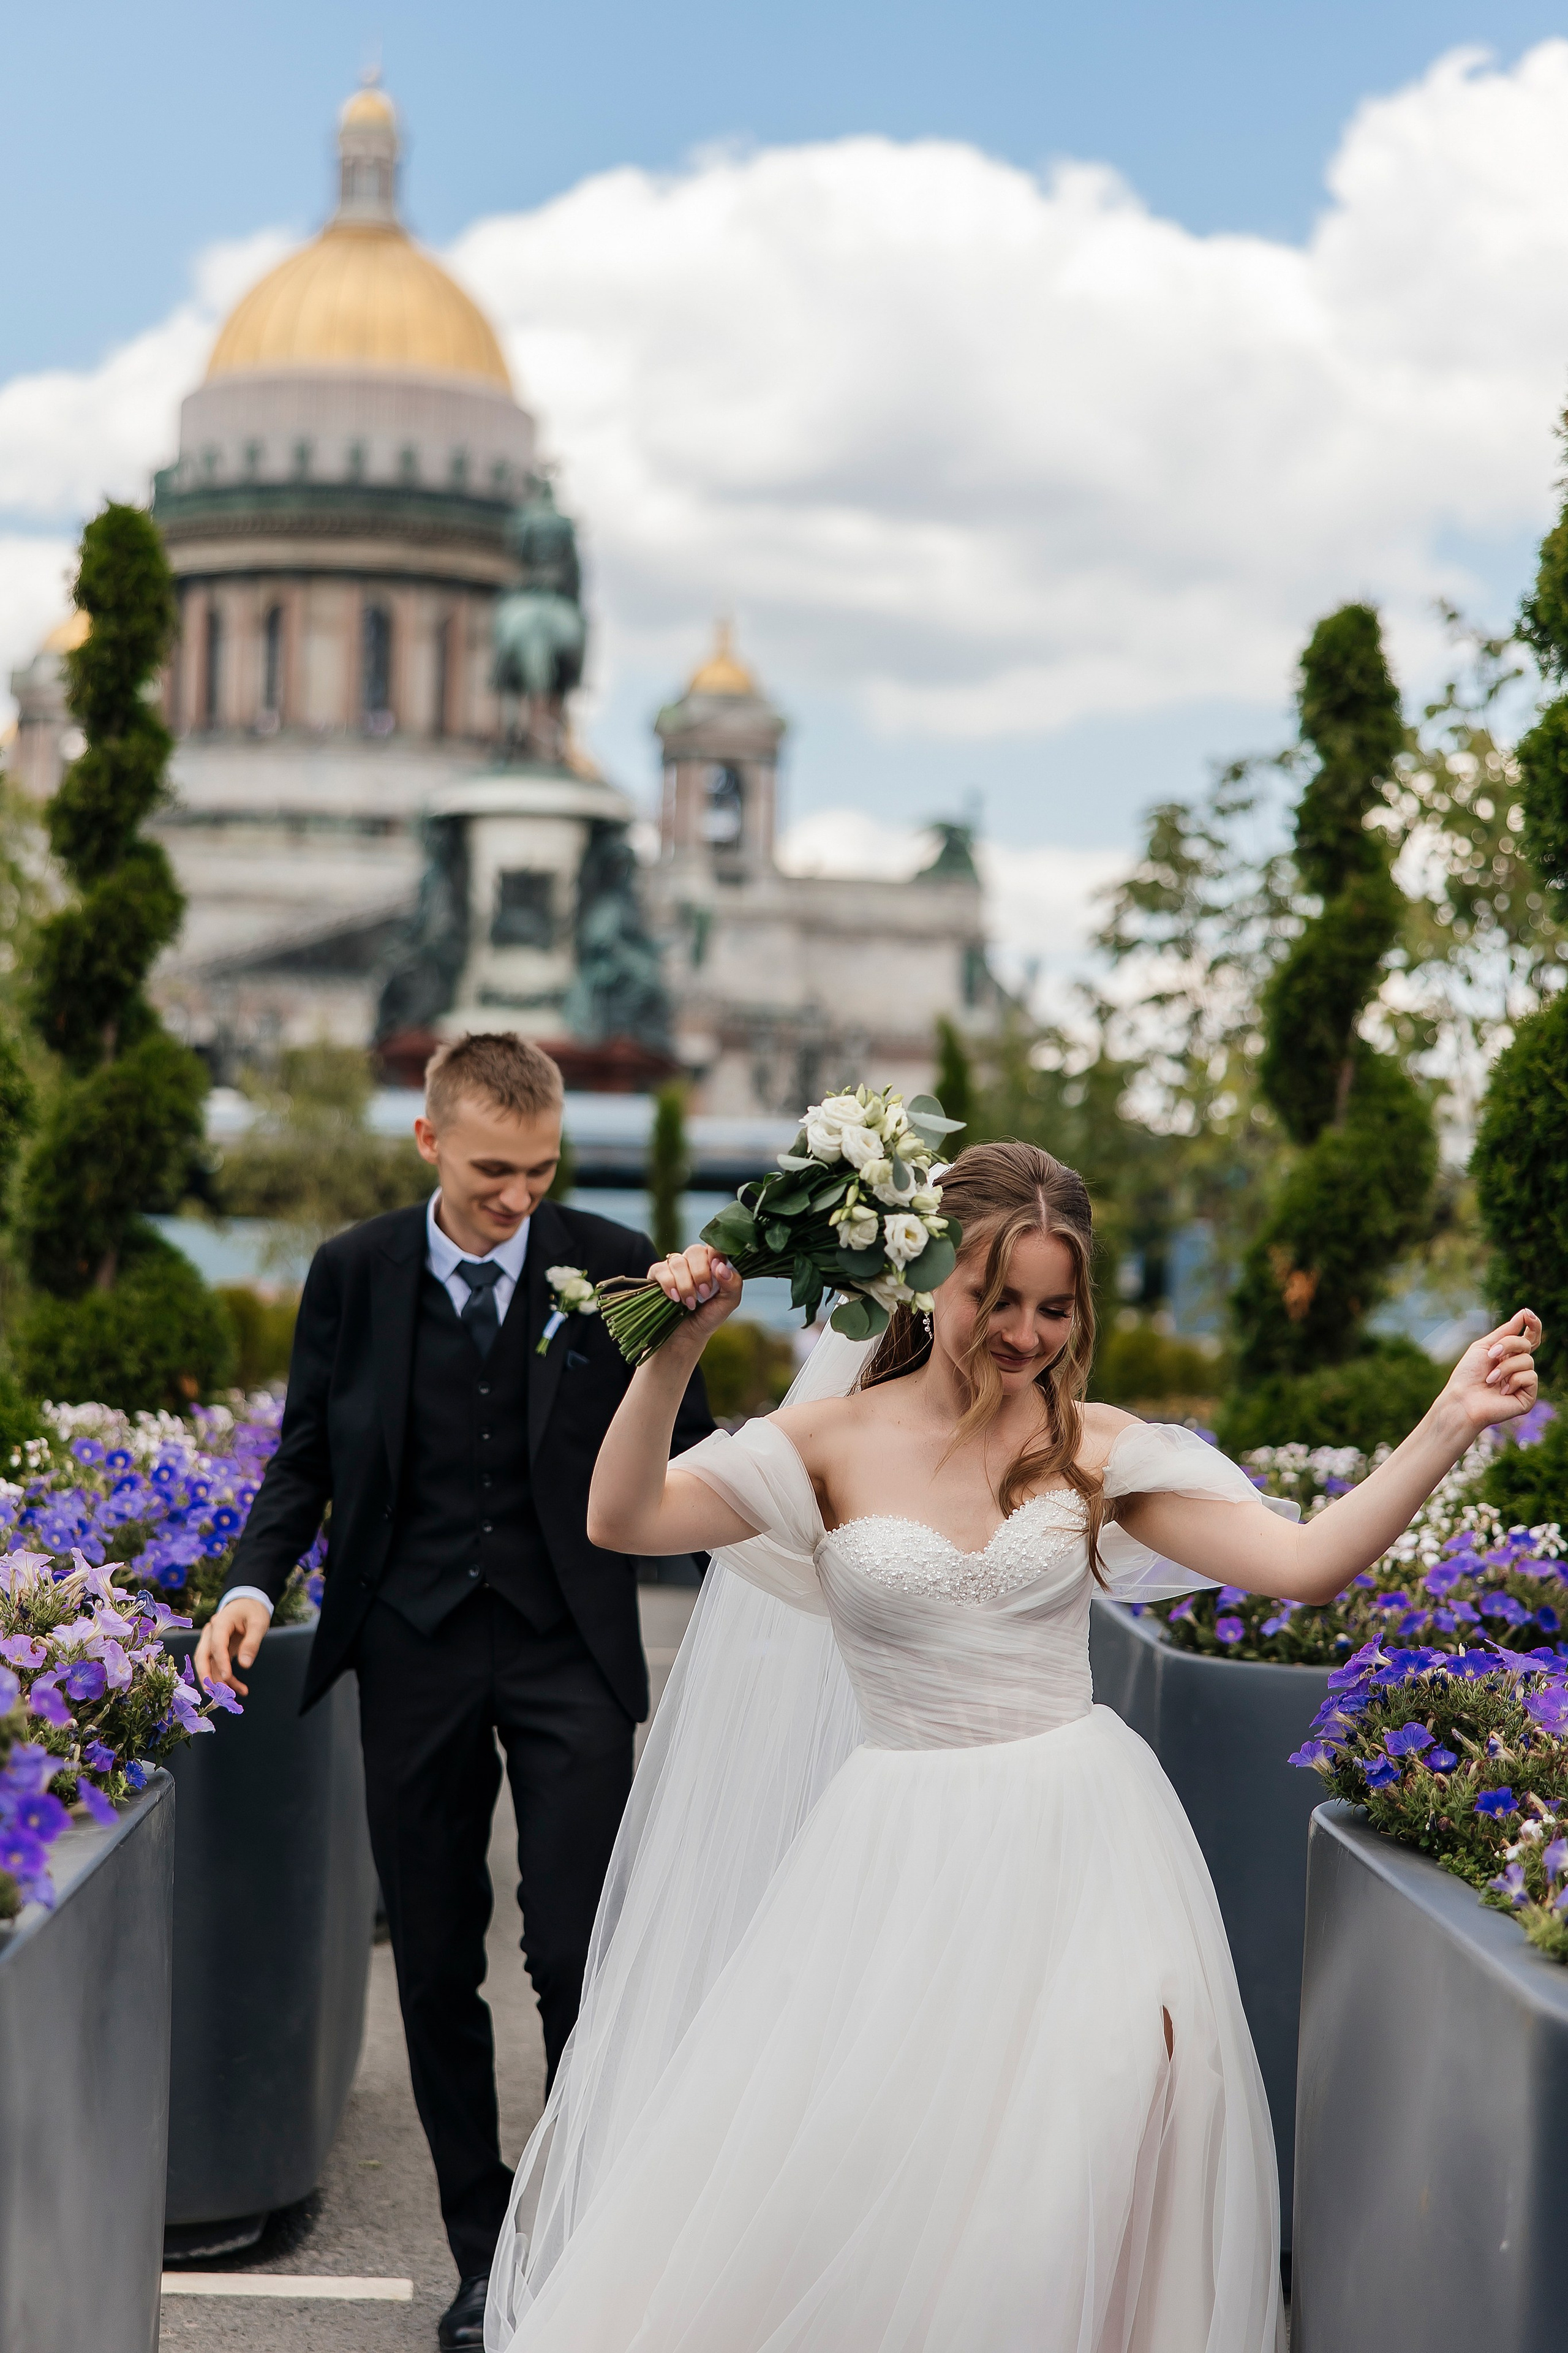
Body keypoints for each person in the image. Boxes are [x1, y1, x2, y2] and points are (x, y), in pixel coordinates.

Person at [483, 1138, 1540, 2352]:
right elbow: (623, 1515)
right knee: (884, 2170)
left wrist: (1447, 1417)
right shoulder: (827, 1442)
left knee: (1080, 2146)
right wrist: (677, 1346)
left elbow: (1302, 1567)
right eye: (993, 1299)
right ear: (925, 1280)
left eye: (1051, 1307)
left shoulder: (1096, 1450)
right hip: (895, 1855)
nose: (1023, 1333)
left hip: (1081, 1841)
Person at [195, 1033, 713, 2352]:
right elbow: (302, 1453)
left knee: (571, 1953)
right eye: (493, 1170)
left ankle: (583, 2234)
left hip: (566, 1649)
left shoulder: (610, 1260)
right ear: (429, 1141)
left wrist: (689, 1345)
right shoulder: (353, 1273)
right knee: (432, 1963)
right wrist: (255, 1582)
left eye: (540, 1171)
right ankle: (484, 2258)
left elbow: (697, 1457)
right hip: (413, 1647)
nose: (518, 1199)